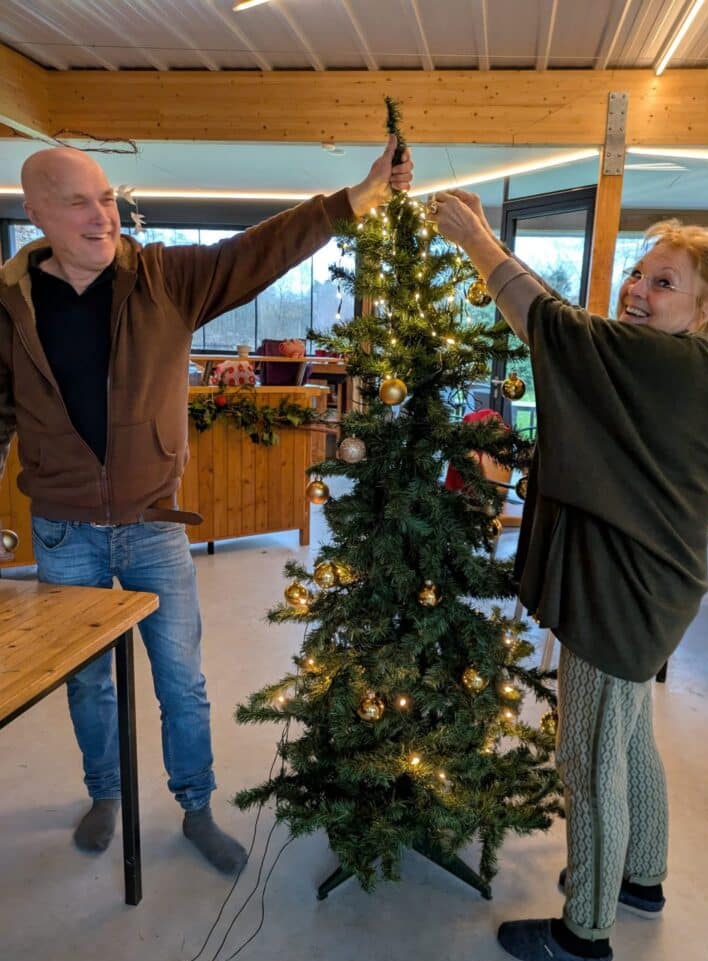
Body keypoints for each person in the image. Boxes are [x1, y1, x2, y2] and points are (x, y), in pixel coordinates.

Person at [0, 136, 412, 875]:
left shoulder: (166, 278)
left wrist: (355, 199)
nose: (101, 217)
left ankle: (196, 806)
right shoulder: (10, 307)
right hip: (63, 533)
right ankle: (105, 793)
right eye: (78, 203)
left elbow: (260, 250)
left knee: (181, 683)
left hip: (155, 529)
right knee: (88, 683)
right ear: (36, 215)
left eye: (106, 199)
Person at [431, 189, 708, 961]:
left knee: (587, 756)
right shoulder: (697, 370)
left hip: (620, 593)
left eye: (664, 282)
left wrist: (475, 238)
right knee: (628, 737)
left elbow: (550, 325)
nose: (637, 290)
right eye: (637, 273)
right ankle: (640, 876)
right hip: (654, 588)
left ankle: (586, 929)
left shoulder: (661, 360)